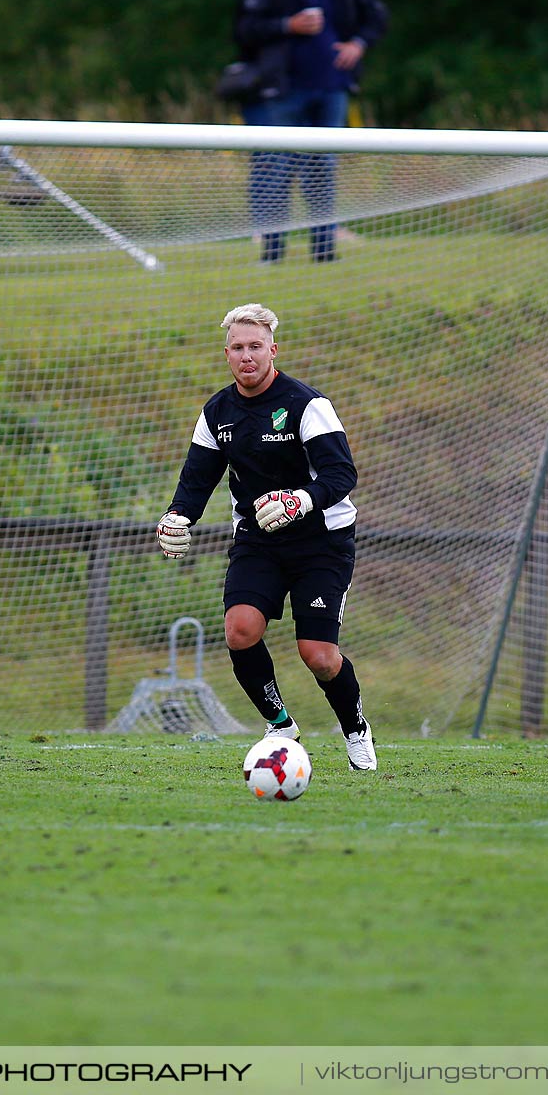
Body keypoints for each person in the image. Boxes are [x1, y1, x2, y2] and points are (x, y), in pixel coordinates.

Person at [156, 302, 374, 770]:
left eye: (255, 346)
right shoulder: (217, 412)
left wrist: (299, 500)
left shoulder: (307, 405)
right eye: (237, 347)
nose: (246, 355)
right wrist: (178, 517)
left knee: (318, 656)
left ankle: (355, 728)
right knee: (239, 630)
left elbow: (341, 474)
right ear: (227, 354)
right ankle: (279, 724)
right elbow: (197, 480)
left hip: (322, 542)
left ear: (273, 350)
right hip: (259, 541)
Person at [235, 0, 389, 264]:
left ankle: (324, 252)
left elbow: (376, 16)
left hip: (332, 89)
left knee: (322, 171)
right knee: (276, 170)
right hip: (283, 91)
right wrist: (288, 25)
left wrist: (358, 45)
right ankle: (272, 253)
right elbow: (245, 30)